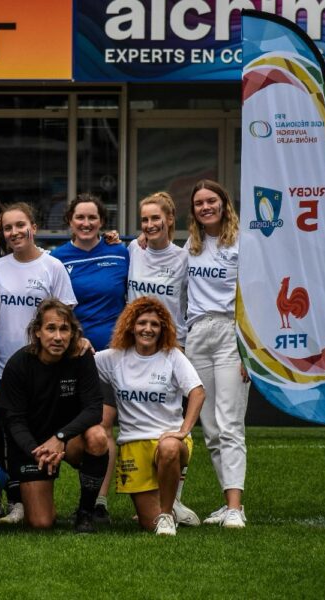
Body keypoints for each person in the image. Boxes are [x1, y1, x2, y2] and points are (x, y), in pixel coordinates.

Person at [0, 202, 76, 524]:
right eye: (7, 228)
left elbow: (66, 317)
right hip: (2, 366)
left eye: (19, 225)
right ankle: (16, 503)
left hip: (42, 368)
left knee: (36, 431)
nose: (14, 232)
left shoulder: (52, 267)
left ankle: (85, 504)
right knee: (7, 435)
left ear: (33, 227)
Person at [93, 297, 205, 536]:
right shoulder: (113, 358)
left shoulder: (172, 356)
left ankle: (166, 514)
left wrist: (183, 431)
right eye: (142, 323)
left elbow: (197, 391)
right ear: (131, 326)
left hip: (169, 438)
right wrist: (80, 344)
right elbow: (81, 364)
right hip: (133, 444)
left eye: (155, 324)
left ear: (162, 328)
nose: (148, 329)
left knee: (169, 449)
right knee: (147, 524)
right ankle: (172, 508)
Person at [0, 299, 110, 533]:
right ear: (37, 331)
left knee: (98, 437)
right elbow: (13, 420)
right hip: (33, 447)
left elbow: (94, 409)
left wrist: (60, 437)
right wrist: (37, 451)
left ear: (73, 333)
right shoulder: (18, 364)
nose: (58, 336)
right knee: (41, 522)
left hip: (67, 439)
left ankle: (86, 512)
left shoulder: (81, 357)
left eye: (64, 329)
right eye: (51, 328)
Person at [123, 191, 199, 527]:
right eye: (145, 220)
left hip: (172, 348)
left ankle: (175, 502)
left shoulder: (184, 258)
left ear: (170, 220)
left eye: (157, 219)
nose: (151, 225)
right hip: (133, 347)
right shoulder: (133, 250)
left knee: (170, 423)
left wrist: (178, 346)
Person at [185, 179, 250, 528]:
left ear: (224, 204)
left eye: (212, 200)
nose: (205, 207)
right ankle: (226, 504)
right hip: (198, 335)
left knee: (229, 423)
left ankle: (236, 507)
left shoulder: (244, 243)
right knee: (209, 427)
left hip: (231, 334)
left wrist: (248, 351)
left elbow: (255, 298)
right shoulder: (191, 246)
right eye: (199, 203)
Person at [52, 194, 128, 352]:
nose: (86, 223)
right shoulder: (56, 259)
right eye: (80, 217)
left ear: (102, 221)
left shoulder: (120, 253)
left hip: (118, 350)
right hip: (73, 351)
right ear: (70, 221)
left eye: (92, 217)